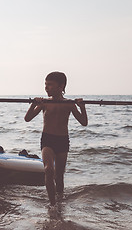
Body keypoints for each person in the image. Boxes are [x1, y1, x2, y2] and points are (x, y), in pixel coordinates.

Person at [24, 71, 87, 206]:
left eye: (50, 85)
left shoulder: (69, 104)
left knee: (59, 176)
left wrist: (83, 108)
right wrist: (33, 104)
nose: (46, 88)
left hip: (62, 141)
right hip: (47, 140)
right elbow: (27, 118)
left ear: (61, 86)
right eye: (45, 85)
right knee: (48, 169)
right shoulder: (44, 103)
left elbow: (84, 122)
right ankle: (52, 205)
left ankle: (59, 202)